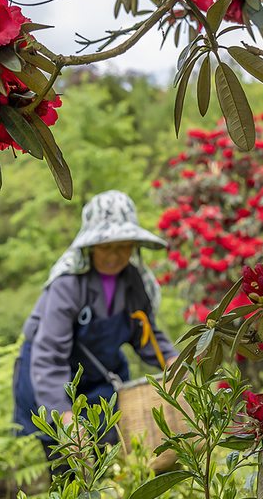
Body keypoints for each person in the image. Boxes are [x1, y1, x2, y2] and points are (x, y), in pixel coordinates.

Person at [12, 190, 178, 467]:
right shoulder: (69, 285)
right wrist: (64, 416)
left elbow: (145, 332)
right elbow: (49, 355)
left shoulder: (132, 281)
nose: (115, 256)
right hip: (50, 378)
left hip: (98, 376)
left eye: (123, 246)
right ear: (89, 246)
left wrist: (175, 362)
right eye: (106, 247)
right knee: (68, 463)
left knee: (111, 454)